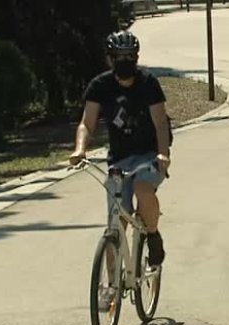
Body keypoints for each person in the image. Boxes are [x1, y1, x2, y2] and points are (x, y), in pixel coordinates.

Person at [69, 30, 171, 267]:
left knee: (142, 188)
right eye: (119, 57)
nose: (124, 62)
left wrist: (163, 153)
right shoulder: (100, 85)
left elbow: (160, 123)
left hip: (149, 156)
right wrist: (79, 149)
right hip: (118, 160)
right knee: (116, 223)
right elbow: (87, 123)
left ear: (136, 57)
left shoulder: (148, 83)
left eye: (129, 57)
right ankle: (110, 288)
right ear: (109, 59)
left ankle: (153, 235)